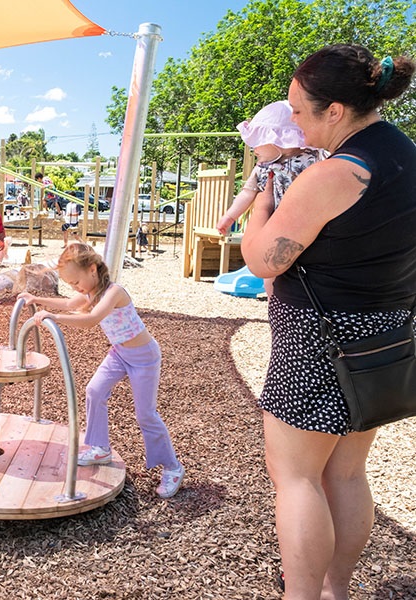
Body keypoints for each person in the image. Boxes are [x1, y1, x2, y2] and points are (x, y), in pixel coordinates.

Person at [240, 45, 416, 598]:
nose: (291, 120)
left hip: (317, 340)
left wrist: (260, 209)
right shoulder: (404, 158)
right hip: (378, 341)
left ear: (335, 110)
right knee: (345, 474)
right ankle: (337, 590)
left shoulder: (338, 173)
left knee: (295, 479)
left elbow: (262, 259)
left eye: (297, 109)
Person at [18, 243, 183, 498]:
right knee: (94, 390)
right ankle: (99, 447)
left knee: (145, 415)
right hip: (120, 353)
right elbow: (68, 302)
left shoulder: (114, 292)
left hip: (144, 357)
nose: (76, 288)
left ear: (92, 269)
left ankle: (172, 467)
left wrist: (54, 317)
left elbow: (91, 319)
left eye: (76, 281)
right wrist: (36, 299)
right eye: (71, 284)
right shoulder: (90, 291)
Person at [217, 101, 322, 236]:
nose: (254, 151)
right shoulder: (261, 168)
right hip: (274, 226)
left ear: (278, 140)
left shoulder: (311, 158)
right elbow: (247, 193)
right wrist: (230, 216)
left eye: (257, 142)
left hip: (307, 223)